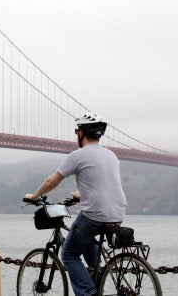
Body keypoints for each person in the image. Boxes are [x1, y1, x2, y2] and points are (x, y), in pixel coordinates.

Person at [24, 112, 127, 296]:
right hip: (118, 212)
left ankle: (88, 293)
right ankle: (98, 274)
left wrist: (34, 196)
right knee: (86, 240)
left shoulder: (78, 155)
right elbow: (105, 183)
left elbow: (51, 182)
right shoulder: (111, 155)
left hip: (95, 214)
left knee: (69, 254)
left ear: (81, 133)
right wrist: (82, 195)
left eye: (77, 131)